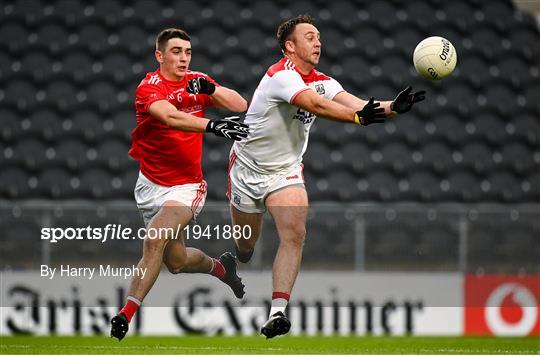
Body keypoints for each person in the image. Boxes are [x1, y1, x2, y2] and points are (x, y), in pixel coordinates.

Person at [227, 15, 426, 338]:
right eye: (309, 36)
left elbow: (359, 105)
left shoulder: (324, 80)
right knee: (246, 242)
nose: (318, 41)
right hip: (247, 169)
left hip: (285, 171)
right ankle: (242, 250)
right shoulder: (280, 76)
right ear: (289, 46)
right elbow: (314, 104)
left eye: (319, 36)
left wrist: (394, 107)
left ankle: (277, 312)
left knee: (294, 233)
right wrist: (358, 118)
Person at [110, 28, 249, 341]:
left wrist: (211, 88)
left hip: (187, 186)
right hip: (149, 184)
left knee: (153, 238)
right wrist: (212, 125)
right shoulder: (149, 87)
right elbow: (170, 117)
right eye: (176, 51)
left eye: (187, 51)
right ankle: (221, 268)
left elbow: (240, 105)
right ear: (159, 55)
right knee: (176, 261)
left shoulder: (196, 80)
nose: (184, 57)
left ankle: (125, 314)